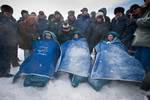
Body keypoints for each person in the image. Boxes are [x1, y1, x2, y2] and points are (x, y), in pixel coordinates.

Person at [0, 5, 19, 77]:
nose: (9, 14)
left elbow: (15, 29)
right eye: (8, 13)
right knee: (2, 58)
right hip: (2, 42)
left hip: (10, 43)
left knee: (7, 58)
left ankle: (6, 71)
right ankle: (2, 72)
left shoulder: (12, 20)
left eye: (11, 13)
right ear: (4, 12)